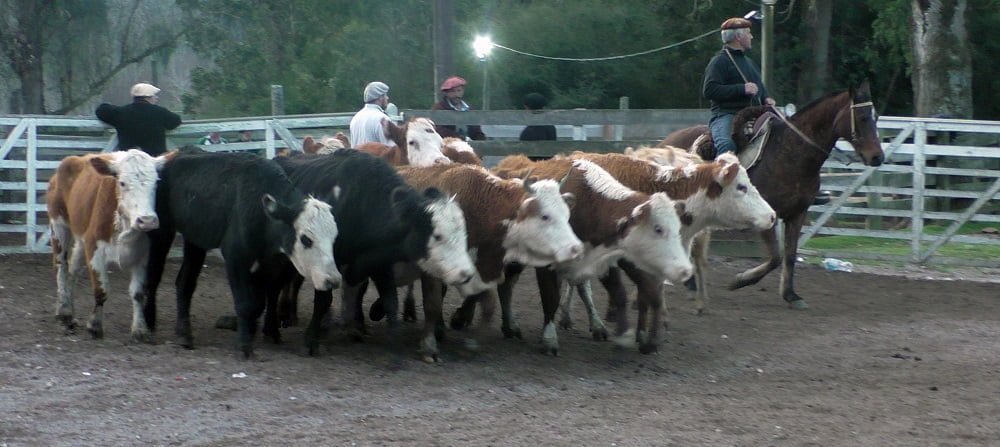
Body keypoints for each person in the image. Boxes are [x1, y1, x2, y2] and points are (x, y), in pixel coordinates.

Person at [702, 17, 775, 156]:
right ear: (738, 37)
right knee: (726, 145)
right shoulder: (719, 61)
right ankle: (721, 176)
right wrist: (742, 88)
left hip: (753, 113)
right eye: (748, 33)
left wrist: (766, 98)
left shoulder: (749, 62)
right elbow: (709, 90)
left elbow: (759, 86)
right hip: (727, 114)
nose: (752, 36)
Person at [95, 83, 182, 156]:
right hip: (154, 159)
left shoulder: (121, 112)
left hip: (128, 159)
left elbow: (101, 110)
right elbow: (176, 121)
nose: (156, 98)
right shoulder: (160, 112)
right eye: (154, 95)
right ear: (148, 97)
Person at [431, 76, 486, 141]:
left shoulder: (469, 108)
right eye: (452, 91)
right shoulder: (439, 108)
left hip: (470, 144)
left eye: (459, 90)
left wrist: (481, 141)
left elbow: (476, 129)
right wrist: (462, 139)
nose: (456, 94)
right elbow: (440, 130)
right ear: (447, 93)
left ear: (463, 91)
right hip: (448, 145)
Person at [349, 81, 394, 147]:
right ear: (380, 97)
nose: (387, 98)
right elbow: (390, 149)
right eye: (385, 95)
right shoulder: (383, 120)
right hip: (375, 157)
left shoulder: (355, 119)